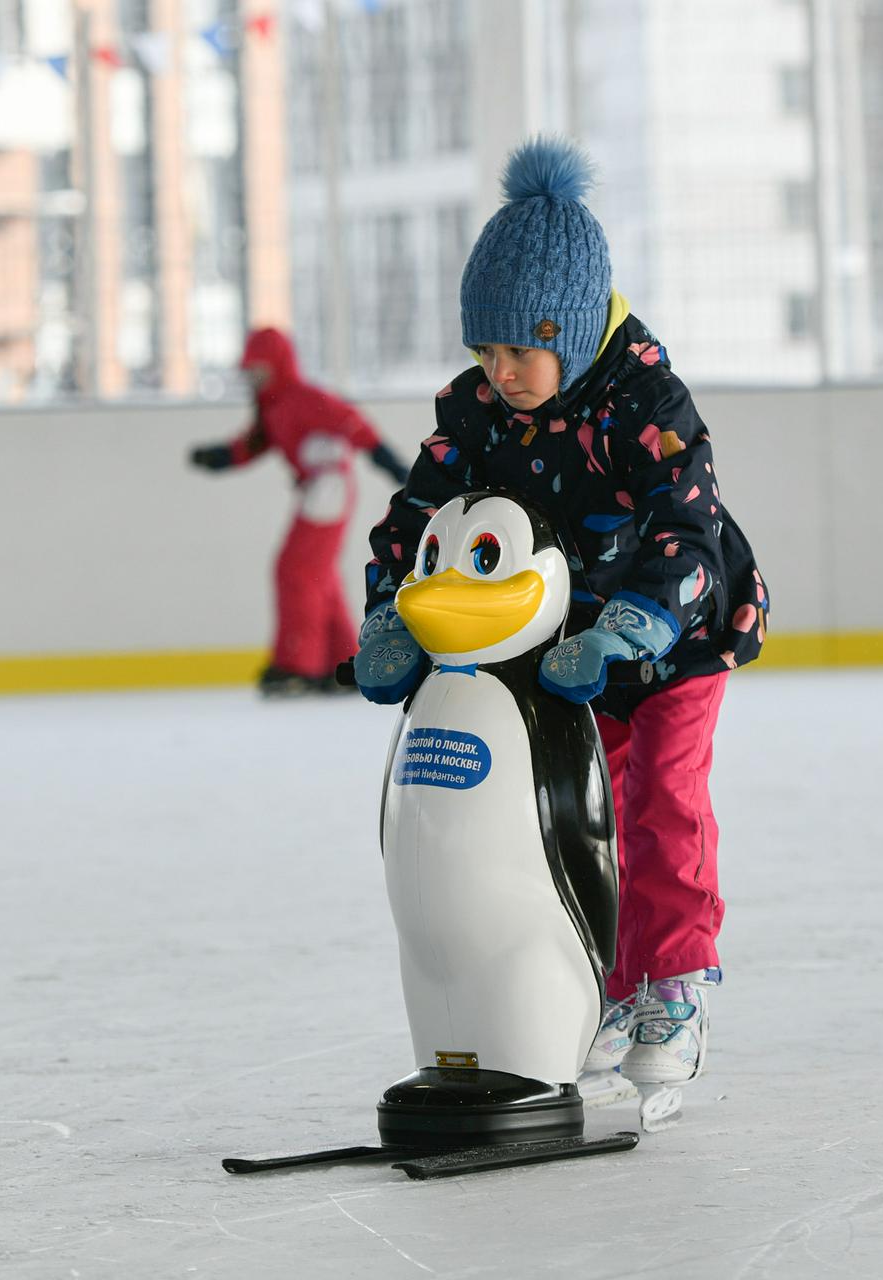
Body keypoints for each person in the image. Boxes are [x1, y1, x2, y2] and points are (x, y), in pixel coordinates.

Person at [355, 137, 770, 1097]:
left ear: (573, 331)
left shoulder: (645, 403)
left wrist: (635, 626)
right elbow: (417, 517)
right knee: (588, 820)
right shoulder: (477, 411)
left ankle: (673, 986)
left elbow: (690, 526)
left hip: (675, 641)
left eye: (520, 349)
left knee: (662, 803)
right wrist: (388, 616)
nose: (500, 372)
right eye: (484, 350)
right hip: (562, 650)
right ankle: (611, 987)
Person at [191, 326, 411, 697]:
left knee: (296, 571)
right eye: (251, 372)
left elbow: (353, 424)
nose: (255, 379)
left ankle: (298, 665)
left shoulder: (302, 398)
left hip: (328, 491)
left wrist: (391, 464)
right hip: (318, 492)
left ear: (279, 365)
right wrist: (221, 457)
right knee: (317, 575)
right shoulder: (274, 405)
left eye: (260, 370)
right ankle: (341, 663)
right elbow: (256, 443)